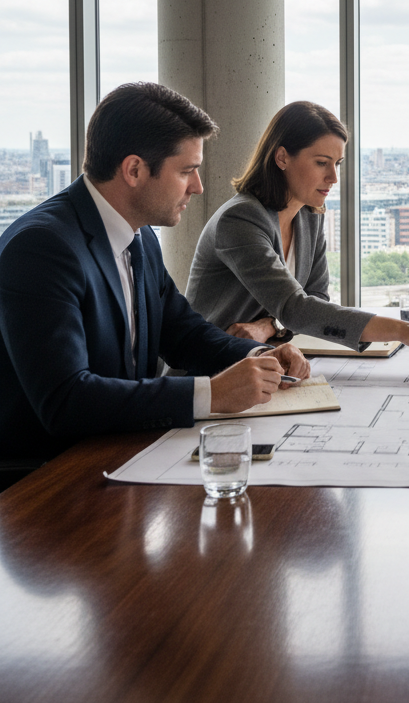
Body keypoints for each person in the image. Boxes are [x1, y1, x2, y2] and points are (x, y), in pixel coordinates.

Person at [0, 82, 310, 466]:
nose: (197, 187)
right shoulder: (42, 248)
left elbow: (184, 333)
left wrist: (262, 356)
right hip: (46, 484)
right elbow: (66, 400)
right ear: (134, 170)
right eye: (187, 171)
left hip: (123, 454)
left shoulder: (140, 236)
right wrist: (210, 394)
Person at [186, 101, 409, 356]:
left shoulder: (309, 216)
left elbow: (316, 298)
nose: (333, 177)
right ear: (282, 157)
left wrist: (269, 325)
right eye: (322, 162)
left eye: (337, 164)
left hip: (261, 359)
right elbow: (297, 308)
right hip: (210, 368)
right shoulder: (241, 219)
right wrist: (403, 330)